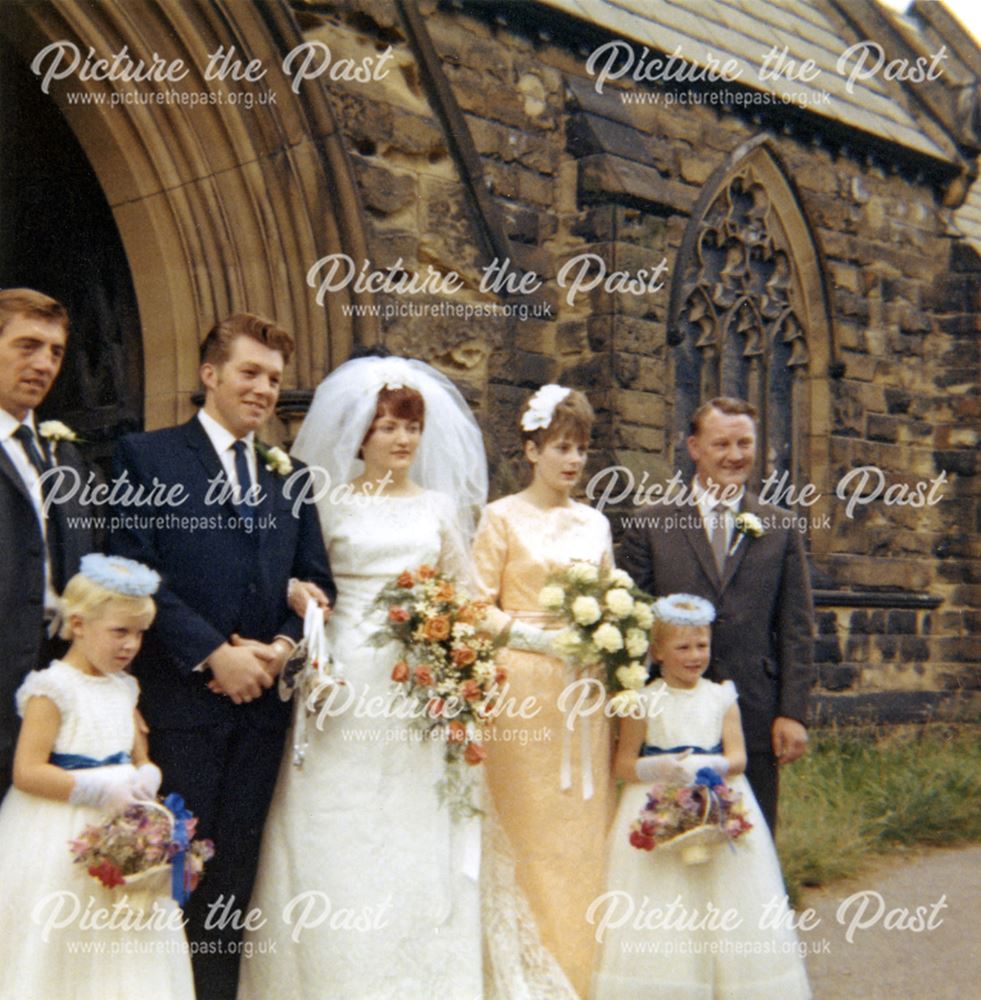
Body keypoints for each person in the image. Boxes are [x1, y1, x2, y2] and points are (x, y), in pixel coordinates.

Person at [241, 355, 488, 999]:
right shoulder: (326, 501)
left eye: (411, 428)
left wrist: (460, 648)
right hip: (343, 675)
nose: (403, 440)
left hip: (414, 682)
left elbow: (468, 595)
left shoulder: (437, 507)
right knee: (333, 812)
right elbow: (299, 573)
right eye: (387, 428)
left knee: (410, 815)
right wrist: (298, 591)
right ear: (360, 436)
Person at [108, 313, 335, 1000]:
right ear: (210, 375)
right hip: (181, 709)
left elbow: (317, 581)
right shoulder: (147, 457)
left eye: (274, 378)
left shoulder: (290, 476)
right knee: (167, 873)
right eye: (250, 373)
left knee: (231, 882)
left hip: (261, 715)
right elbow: (130, 570)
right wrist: (212, 654)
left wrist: (282, 646)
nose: (264, 389)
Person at [592, 593, 811, 999]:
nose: (695, 656)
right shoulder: (641, 701)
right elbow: (622, 764)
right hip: (656, 802)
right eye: (683, 647)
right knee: (664, 900)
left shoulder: (721, 697)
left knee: (724, 899)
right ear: (657, 652)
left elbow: (739, 757)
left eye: (702, 646)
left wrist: (707, 770)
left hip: (717, 799)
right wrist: (655, 769)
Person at [471, 385, 614, 998]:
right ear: (531, 451)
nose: (573, 460)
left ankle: (581, 966)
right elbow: (475, 608)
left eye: (581, 448)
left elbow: (611, 602)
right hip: (522, 688)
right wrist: (537, 638)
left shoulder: (596, 522)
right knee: (529, 822)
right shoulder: (500, 516)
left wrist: (604, 635)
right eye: (560, 447)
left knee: (580, 830)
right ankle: (527, 967)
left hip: (585, 691)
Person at [0, 553, 195, 1000]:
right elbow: (28, 771)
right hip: (58, 831)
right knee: (61, 940)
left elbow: (135, 750)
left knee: (125, 938)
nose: (130, 645)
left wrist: (146, 773)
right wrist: (96, 787)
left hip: (123, 830)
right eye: (119, 632)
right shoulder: (52, 688)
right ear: (79, 623)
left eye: (140, 634)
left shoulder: (124, 685)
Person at [618, 397, 814, 831]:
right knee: (671, 836)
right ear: (694, 447)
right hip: (670, 716)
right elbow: (631, 627)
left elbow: (797, 627)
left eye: (744, 443)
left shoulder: (779, 526)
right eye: (721, 443)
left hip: (754, 709)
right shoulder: (652, 525)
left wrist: (793, 712)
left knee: (749, 837)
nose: (735, 455)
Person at [0, 288, 93, 797]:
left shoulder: (64, 455)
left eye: (55, 352)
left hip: (54, 681)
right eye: (28, 345)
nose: (44, 363)